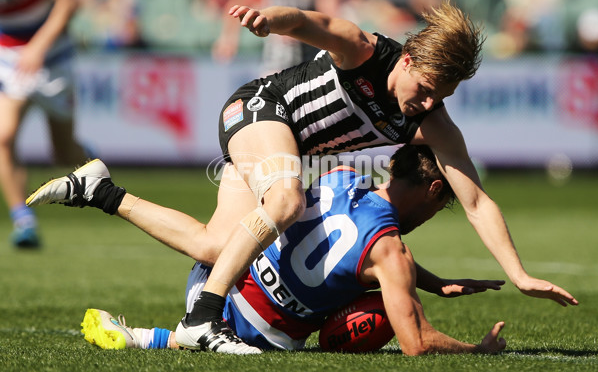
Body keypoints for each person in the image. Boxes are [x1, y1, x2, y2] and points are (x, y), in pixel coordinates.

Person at [29, 0, 578, 354]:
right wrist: (273, 20)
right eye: (429, 87)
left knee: (217, 246)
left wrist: (519, 273)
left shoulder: (428, 117)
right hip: (259, 112)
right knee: (288, 199)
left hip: (284, 151)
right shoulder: (366, 52)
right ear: (408, 59)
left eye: (445, 96)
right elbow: (317, 23)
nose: (431, 103)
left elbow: (475, 199)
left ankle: (99, 189)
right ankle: (202, 319)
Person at [29, 145, 508, 354]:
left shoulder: (343, 177)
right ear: (433, 191)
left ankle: (104, 194)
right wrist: (479, 350)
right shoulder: (391, 254)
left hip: (212, 285)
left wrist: (433, 283)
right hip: (259, 336)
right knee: (376, 315)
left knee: (233, 208)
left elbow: (359, 250)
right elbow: (416, 344)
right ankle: (151, 336)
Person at [0, 0, 86, 248]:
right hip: (10, 57)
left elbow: (69, 2)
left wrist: (38, 46)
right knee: (3, 136)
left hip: (53, 58)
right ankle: (23, 219)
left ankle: (92, 163)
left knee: (64, 155)